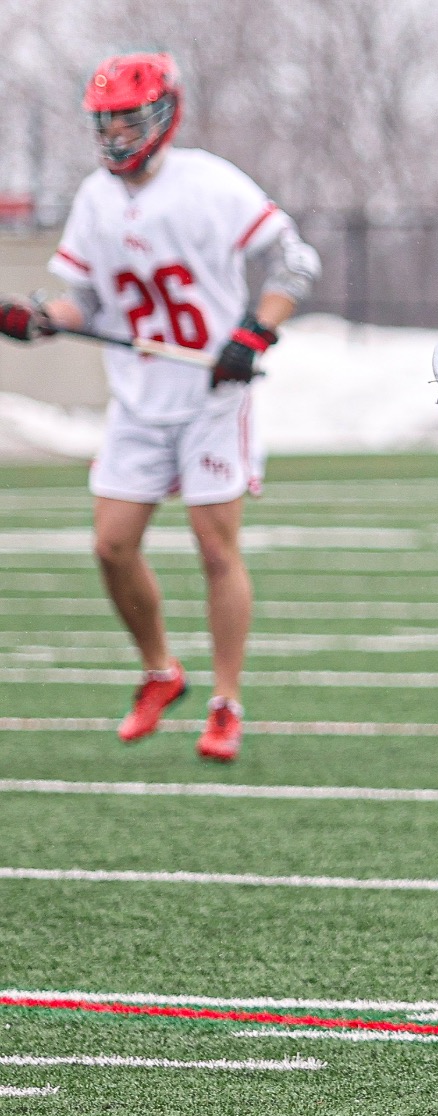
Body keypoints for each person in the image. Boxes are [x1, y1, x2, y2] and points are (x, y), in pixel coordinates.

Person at [0, 54, 320, 762]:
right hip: (140, 397)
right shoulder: (95, 198)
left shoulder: (209, 182)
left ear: (165, 115)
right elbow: (80, 300)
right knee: (111, 545)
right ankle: (160, 671)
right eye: (106, 121)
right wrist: (36, 316)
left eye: (129, 118)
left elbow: (295, 261)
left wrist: (255, 330)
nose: (116, 134)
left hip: (211, 392)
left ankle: (226, 700)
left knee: (214, 548)